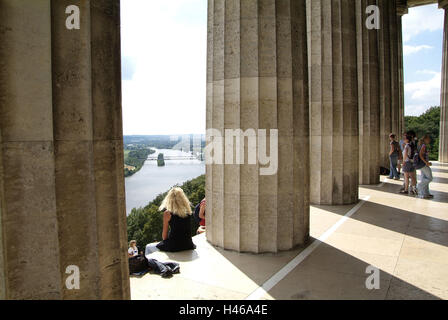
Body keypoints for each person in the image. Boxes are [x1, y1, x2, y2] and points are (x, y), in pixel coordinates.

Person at [146, 187, 196, 254]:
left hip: (174, 246)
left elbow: (164, 236)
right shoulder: (188, 211)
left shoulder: (167, 213)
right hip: (188, 244)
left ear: (169, 199)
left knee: (148, 247)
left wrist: (166, 243)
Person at [417, 135, 434, 199]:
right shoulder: (423, 145)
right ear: (426, 139)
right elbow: (420, 155)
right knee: (430, 178)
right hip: (423, 164)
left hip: (421, 164)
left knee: (424, 177)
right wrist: (426, 162)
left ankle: (425, 193)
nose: (429, 140)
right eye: (429, 138)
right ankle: (420, 186)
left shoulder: (420, 145)